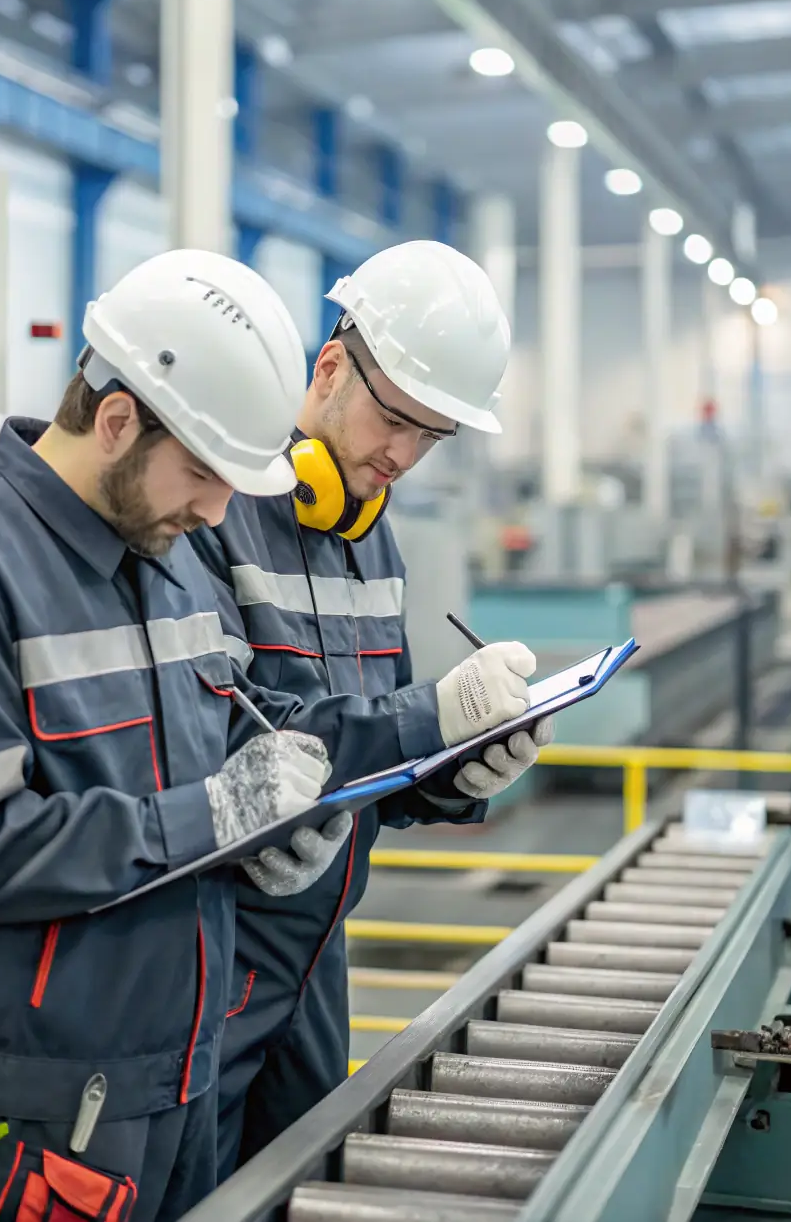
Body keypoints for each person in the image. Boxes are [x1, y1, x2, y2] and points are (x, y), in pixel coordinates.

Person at [0, 250, 455, 1222]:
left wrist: (283, 822)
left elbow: (234, 761)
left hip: (196, 1072)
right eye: (205, 474)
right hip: (51, 1114)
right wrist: (216, 817)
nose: (222, 511)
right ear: (118, 419)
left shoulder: (168, 562)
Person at [188, 240, 555, 1177]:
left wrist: (455, 771)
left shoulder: (370, 539)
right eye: (397, 420)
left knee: (305, 1184)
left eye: (433, 435)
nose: (404, 455)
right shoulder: (212, 508)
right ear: (329, 368)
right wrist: (428, 716)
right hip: (213, 959)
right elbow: (230, 741)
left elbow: (370, 766)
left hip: (317, 959)